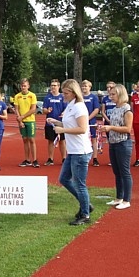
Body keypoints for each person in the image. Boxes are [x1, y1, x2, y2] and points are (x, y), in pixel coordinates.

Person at [48, 79, 93, 225]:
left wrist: (63, 130)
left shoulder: (80, 107)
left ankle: (85, 214)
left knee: (79, 183)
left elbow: (82, 128)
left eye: (66, 92)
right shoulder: (70, 106)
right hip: (73, 150)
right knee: (64, 179)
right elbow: (68, 123)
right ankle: (85, 204)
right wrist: (56, 122)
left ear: (73, 93)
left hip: (80, 150)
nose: (63, 95)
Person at [99, 84, 133, 209]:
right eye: (110, 94)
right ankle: (119, 197)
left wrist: (111, 127)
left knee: (125, 172)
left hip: (123, 143)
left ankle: (127, 199)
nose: (111, 97)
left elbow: (128, 129)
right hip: (113, 142)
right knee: (116, 172)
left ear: (120, 94)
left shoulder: (127, 109)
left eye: (113, 94)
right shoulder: (115, 108)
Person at [14, 78, 39, 168]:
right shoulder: (17, 96)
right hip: (21, 121)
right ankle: (27, 160)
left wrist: (22, 117)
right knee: (24, 140)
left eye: (25, 86)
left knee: (31, 139)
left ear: (28, 86)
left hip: (30, 121)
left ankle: (35, 160)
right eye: (22, 86)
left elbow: (33, 109)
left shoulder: (32, 95)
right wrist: (20, 120)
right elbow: (16, 109)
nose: (23, 87)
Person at [43, 79, 66, 165]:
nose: (53, 87)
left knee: (62, 141)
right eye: (52, 85)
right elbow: (44, 110)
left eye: (55, 85)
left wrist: (64, 113)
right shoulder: (47, 97)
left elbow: (66, 109)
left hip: (60, 123)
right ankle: (50, 158)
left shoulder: (62, 97)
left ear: (58, 87)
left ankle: (64, 158)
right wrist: (47, 110)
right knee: (50, 141)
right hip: (50, 123)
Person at [81, 80, 101, 167]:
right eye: (83, 86)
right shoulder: (79, 97)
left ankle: (95, 158)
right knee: (81, 139)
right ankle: (82, 157)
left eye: (86, 86)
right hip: (81, 122)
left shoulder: (93, 97)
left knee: (93, 139)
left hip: (91, 122)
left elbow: (96, 109)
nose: (84, 87)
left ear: (90, 87)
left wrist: (88, 118)